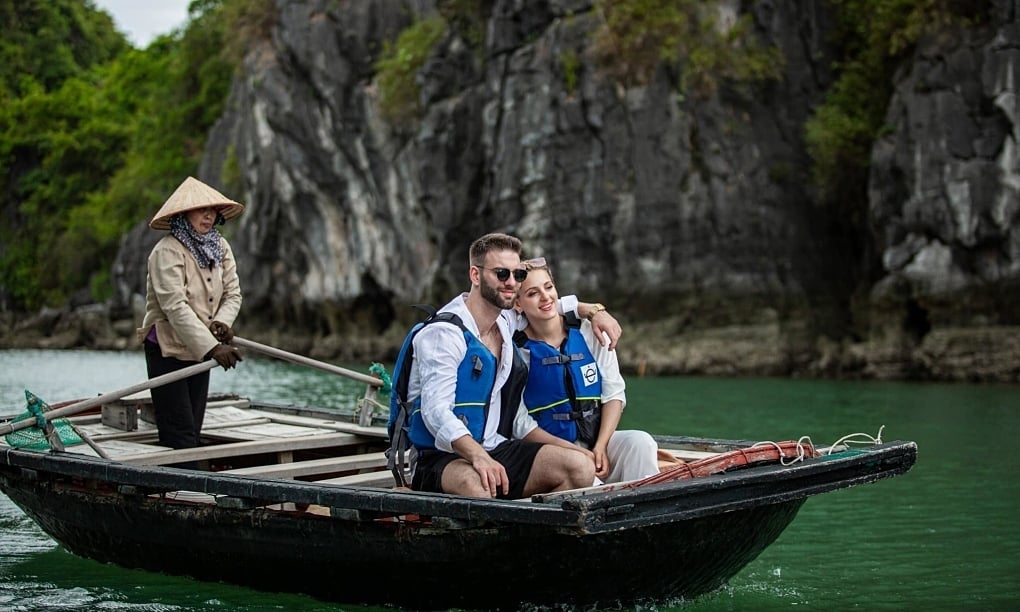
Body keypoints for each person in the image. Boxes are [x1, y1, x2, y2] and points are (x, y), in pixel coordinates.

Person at [398, 233, 622, 499]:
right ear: (475, 275)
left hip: (494, 447)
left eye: (517, 274)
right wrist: (478, 456)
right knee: (479, 488)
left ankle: (530, 529)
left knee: (580, 468)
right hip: (439, 457)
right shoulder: (444, 335)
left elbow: (547, 305)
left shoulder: (505, 322)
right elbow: (436, 412)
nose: (511, 282)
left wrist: (595, 311)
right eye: (502, 274)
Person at [514, 257, 659, 483]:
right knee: (582, 471)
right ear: (518, 304)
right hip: (552, 452)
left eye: (549, 287)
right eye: (532, 293)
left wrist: (600, 446)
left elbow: (613, 393)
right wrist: (578, 453)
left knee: (640, 443)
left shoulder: (590, 331)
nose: (545, 297)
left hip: (596, 442)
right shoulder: (516, 352)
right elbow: (520, 423)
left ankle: (649, 511)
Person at [137, 176, 244, 458]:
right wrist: (212, 347)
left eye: (212, 210)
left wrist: (222, 323)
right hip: (167, 348)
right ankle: (183, 493)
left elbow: (233, 293)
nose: (208, 216)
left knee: (193, 428)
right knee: (179, 433)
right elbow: (174, 306)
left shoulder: (220, 247)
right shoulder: (166, 251)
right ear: (184, 214)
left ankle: (188, 488)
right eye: (201, 210)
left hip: (200, 349)